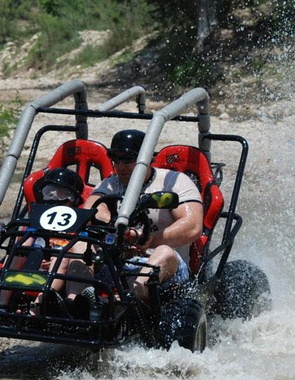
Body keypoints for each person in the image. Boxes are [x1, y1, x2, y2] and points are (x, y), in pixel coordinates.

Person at [69, 129, 203, 306]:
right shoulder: (111, 183)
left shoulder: (174, 181)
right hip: (117, 263)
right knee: (79, 245)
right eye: (116, 160)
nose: (121, 166)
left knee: (164, 252)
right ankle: (75, 303)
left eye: (127, 159)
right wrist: (117, 228)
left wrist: (148, 239)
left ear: (146, 158)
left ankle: (122, 306)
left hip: (165, 268)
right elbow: (92, 208)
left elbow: (193, 226)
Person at [0, 167, 84, 314]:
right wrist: (25, 249)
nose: (55, 198)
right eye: (50, 192)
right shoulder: (39, 219)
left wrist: (51, 260)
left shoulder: (76, 224)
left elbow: (75, 249)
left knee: (61, 257)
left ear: (74, 200)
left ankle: (36, 307)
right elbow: (26, 243)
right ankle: (1, 306)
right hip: (34, 263)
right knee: (17, 250)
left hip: (60, 267)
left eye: (63, 195)